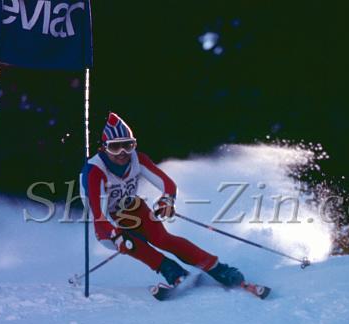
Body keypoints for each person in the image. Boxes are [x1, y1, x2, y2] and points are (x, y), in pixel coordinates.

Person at [80, 112, 246, 286]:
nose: (122, 153)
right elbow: (99, 216)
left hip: (130, 206)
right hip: (104, 218)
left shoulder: (138, 159)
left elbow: (168, 185)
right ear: (104, 148)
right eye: (115, 147)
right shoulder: (95, 172)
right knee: (128, 243)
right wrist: (116, 235)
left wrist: (167, 200)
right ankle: (171, 270)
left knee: (161, 238)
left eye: (128, 145)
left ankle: (217, 268)